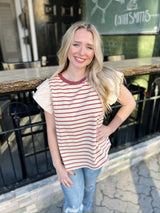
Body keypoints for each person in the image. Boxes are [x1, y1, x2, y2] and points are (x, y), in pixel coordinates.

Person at [33, 21, 136, 213]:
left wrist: (110, 128)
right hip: (68, 160)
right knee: (73, 204)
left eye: (89, 47)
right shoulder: (50, 88)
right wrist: (58, 167)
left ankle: (87, 209)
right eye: (76, 44)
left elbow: (129, 103)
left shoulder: (104, 78)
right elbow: (51, 130)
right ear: (67, 46)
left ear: (95, 51)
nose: (82, 52)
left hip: (94, 155)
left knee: (89, 189)